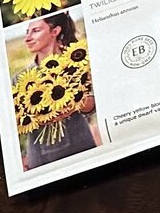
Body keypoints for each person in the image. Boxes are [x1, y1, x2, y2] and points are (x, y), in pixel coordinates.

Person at [16, 12, 98, 170]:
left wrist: (73, 102)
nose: (27, 38)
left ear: (55, 31)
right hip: (40, 159)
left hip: (80, 148)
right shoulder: (21, 78)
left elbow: (92, 105)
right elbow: (18, 121)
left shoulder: (77, 65)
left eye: (36, 31)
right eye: (27, 32)